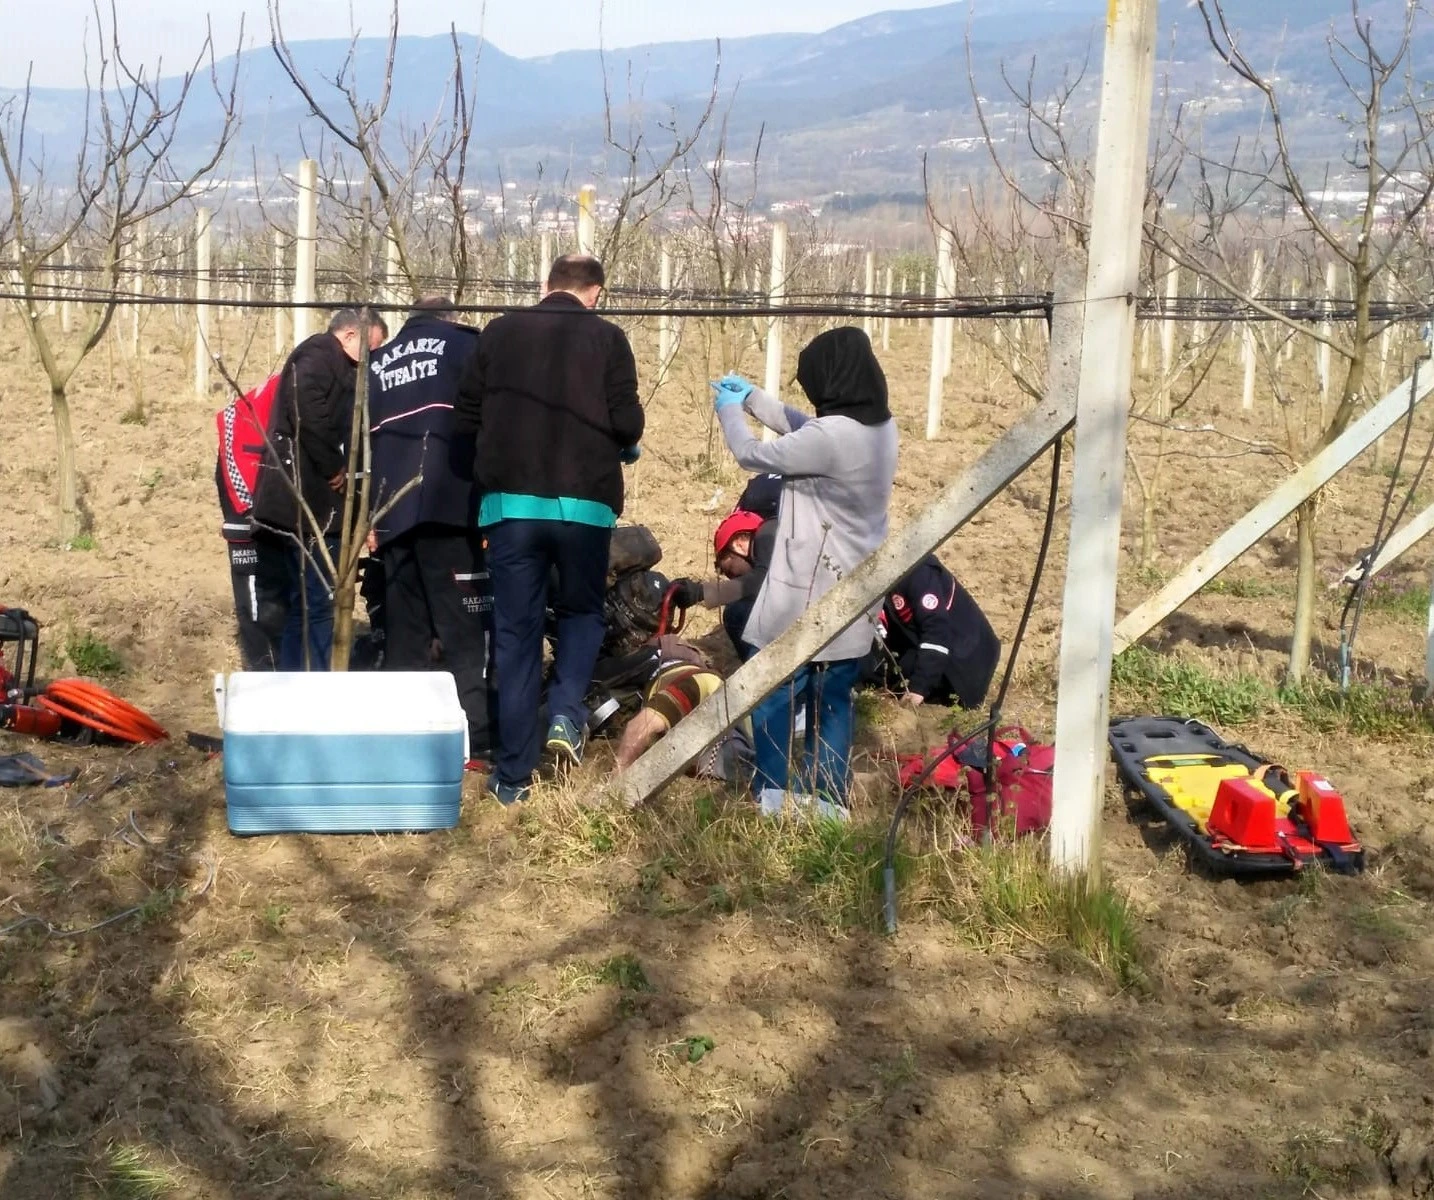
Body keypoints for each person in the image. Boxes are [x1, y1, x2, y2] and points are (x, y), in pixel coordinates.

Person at [454, 254, 643, 805]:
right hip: (584, 509)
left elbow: (466, 417)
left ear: (545, 287)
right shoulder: (609, 339)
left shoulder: (499, 333)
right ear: (597, 293)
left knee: (516, 634)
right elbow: (628, 423)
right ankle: (564, 713)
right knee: (583, 611)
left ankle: (512, 778)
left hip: (509, 510)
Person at [711, 327, 898, 820]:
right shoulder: (878, 427)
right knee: (833, 694)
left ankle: (772, 798)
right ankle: (826, 801)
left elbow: (753, 455)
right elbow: (804, 428)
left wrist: (731, 412)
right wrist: (754, 397)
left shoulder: (831, 439)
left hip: (811, 586)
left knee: (773, 687)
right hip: (855, 585)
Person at [368, 297, 496, 762]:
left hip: (392, 513)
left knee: (406, 632)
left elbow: (363, 440)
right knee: (465, 630)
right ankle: (474, 740)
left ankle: (406, 739)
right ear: (450, 318)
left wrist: (371, 518)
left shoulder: (378, 361)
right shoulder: (465, 344)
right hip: (451, 505)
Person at [861, 555, 1001, 710]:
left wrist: (919, 687)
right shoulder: (879, 575)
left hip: (964, 658)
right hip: (921, 642)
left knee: (888, 675)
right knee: (867, 670)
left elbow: (937, 632)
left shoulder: (916, 573)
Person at [669, 499, 777, 663]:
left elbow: (763, 580)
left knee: (736, 611)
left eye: (723, 564)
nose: (727, 574)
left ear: (739, 544)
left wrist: (702, 592)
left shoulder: (768, 532)